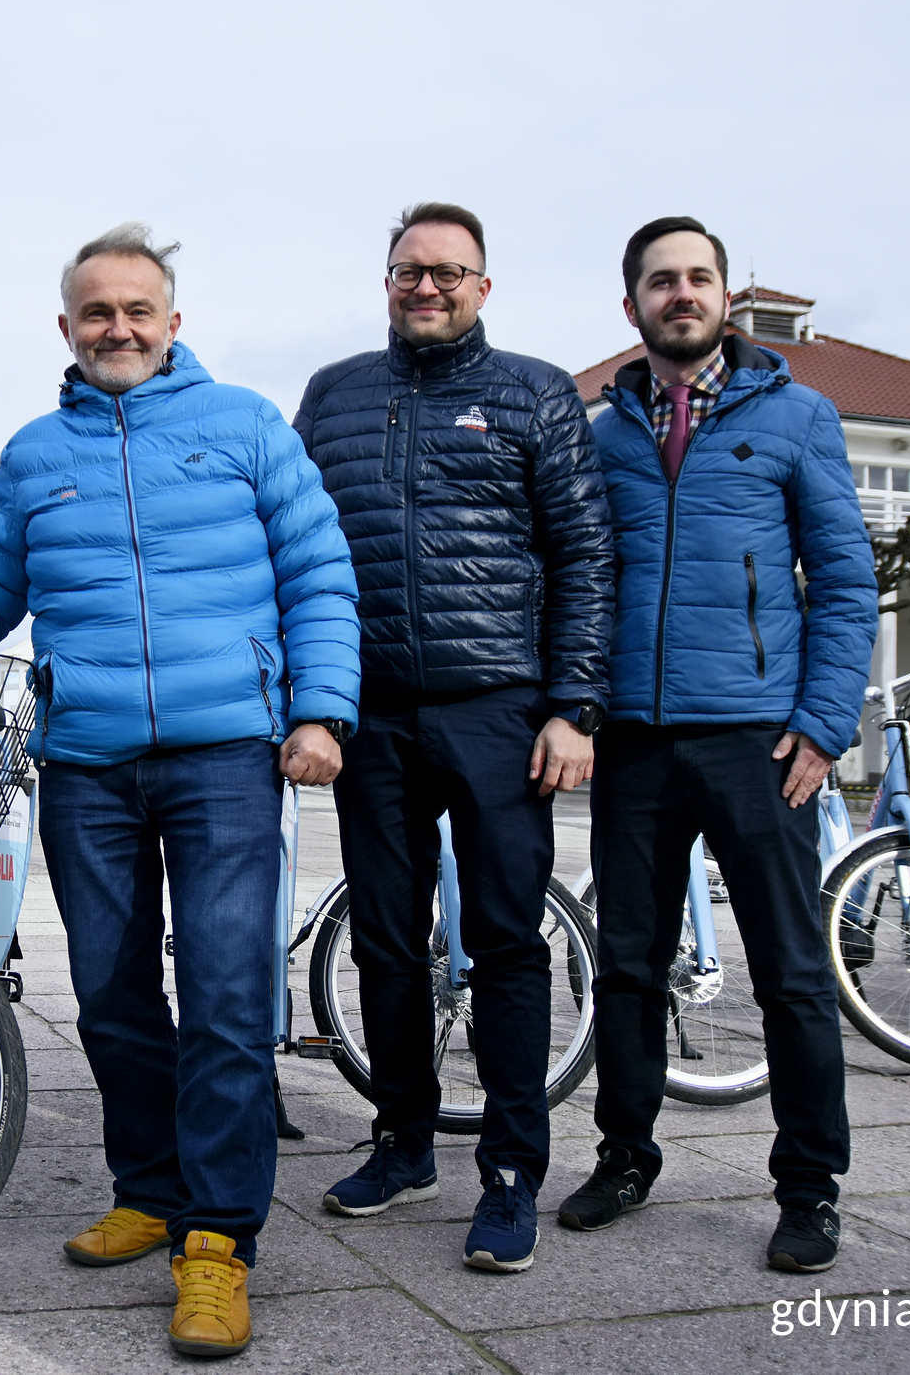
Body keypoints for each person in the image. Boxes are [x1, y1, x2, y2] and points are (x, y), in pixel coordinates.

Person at [0, 223, 359, 1358]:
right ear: (66, 326)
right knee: (111, 995)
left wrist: (321, 711)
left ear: (172, 322)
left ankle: (216, 1241)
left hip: (227, 756)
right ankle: (150, 1191)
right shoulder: (34, 454)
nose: (116, 328)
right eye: (96, 312)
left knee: (224, 996)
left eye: (136, 310)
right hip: (85, 761)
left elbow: (319, 569)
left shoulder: (245, 425)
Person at [292, 202, 614, 1274]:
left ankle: (512, 1170)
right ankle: (402, 1142)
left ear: (482, 285)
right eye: (407, 270)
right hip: (373, 711)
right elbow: (296, 547)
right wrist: (309, 697)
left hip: (499, 710)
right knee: (385, 941)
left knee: (507, 942)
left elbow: (583, 552)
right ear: (385, 281)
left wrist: (573, 704)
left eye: (446, 271)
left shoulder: (534, 391)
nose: (424, 286)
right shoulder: (332, 395)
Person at [556, 217, 874, 1273]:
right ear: (632, 304)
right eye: (661, 281)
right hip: (636, 743)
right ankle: (623, 1157)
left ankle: (809, 1187)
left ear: (724, 298)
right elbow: (577, 578)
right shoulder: (600, 434)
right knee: (627, 966)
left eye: (697, 277)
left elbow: (843, 580)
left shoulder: (797, 416)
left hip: (757, 740)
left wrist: (823, 723)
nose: (680, 293)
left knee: (790, 971)